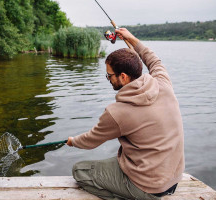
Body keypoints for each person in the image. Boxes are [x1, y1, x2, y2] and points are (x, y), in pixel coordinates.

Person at [67, 28, 184, 200]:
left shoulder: (117, 113)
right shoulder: (163, 83)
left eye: (109, 76)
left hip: (150, 187)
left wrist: (72, 141)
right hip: (174, 179)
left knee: (79, 171)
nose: (108, 79)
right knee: (115, 160)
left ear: (123, 77)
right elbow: (153, 60)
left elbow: (91, 140)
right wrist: (132, 38)